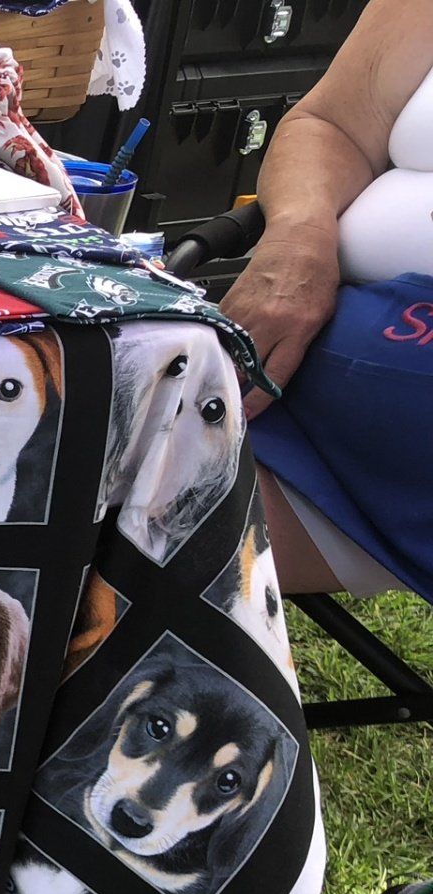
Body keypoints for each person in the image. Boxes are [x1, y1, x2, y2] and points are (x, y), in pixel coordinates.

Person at [218, 0, 433, 894]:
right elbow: (332, 122)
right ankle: (217, 891)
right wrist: (298, 234)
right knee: (89, 526)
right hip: (327, 401)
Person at [222, 0, 433, 600]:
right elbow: (333, 124)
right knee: (65, 499)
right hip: (307, 370)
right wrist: (299, 237)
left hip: (395, 429)